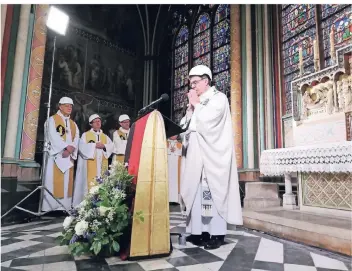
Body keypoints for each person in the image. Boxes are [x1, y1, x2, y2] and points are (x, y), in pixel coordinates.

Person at [180, 65, 243, 250]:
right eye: (191, 85)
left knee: (213, 193)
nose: (193, 88)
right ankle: (199, 233)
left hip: (212, 157)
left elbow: (209, 123)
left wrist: (196, 106)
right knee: (197, 193)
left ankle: (217, 234)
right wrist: (190, 110)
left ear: (206, 81)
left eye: (195, 83)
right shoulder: (196, 102)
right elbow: (187, 126)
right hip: (196, 157)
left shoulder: (219, 98)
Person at [42, 97, 80, 211]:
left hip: (68, 156)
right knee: (53, 181)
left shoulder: (73, 124)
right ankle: (51, 207)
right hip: (56, 155)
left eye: (71, 106)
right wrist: (64, 148)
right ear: (60, 106)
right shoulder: (52, 120)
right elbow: (52, 136)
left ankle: (65, 207)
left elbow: (76, 137)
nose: (69, 107)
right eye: (67, 105)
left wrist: (70, 149)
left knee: (67, 183)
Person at [73, 114, 114, 207]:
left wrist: (104, 146)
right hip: (89, 166)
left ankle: (100, 204)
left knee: (102, 184)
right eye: (95, 121)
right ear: (91, 124)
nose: (98, 122)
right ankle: (86, 205)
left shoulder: (105, 136)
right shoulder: (85, 135)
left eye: (99, 121)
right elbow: (82, 147)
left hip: (101, 165)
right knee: (89, 185)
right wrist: (94, 145)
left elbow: (111, 147)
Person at [167, 135, 182, 203]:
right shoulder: (164, 143)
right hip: (167, 166)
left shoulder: (180, 145)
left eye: (176, 134)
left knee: (176, 181)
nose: (174, 135)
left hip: (176, 167)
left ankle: (176, 200)